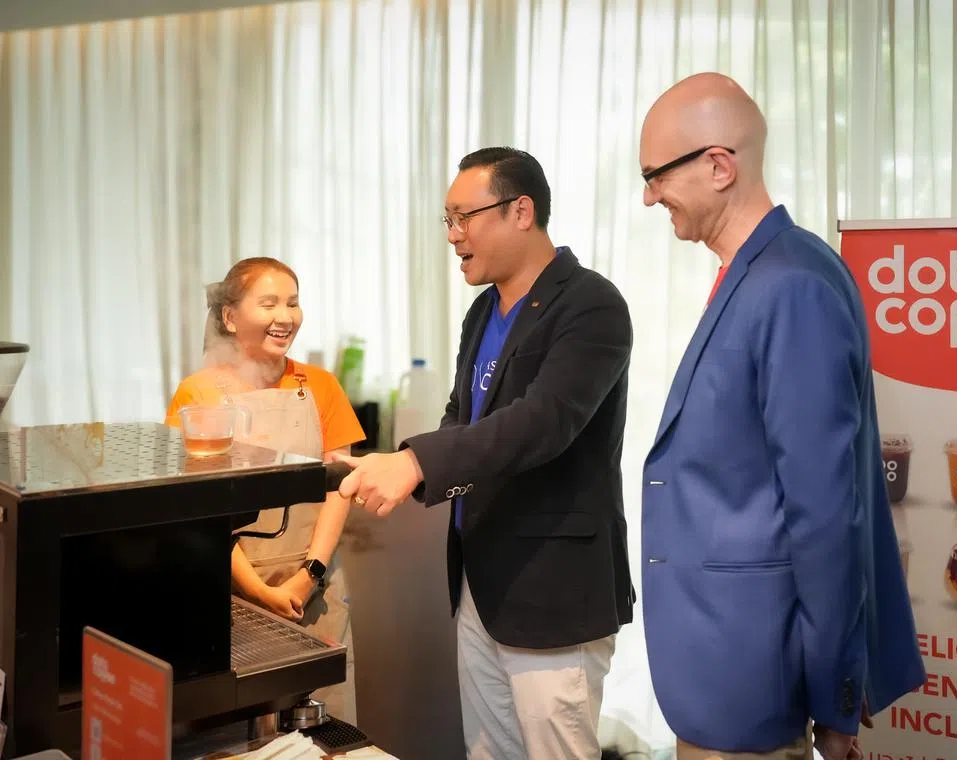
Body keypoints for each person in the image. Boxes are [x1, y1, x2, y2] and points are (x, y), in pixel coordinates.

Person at [637, 73, 925, 760]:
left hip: (754, 687)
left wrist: (835, 695)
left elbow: (826, 516)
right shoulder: (761, 273)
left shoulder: (790, 285)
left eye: (654, 175)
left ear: (717, 166)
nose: (647, 196)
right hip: (721, 675)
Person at [335, 147, 635, 759]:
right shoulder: (482, 311)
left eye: (463, 217)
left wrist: (417, 464)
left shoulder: (591, 304)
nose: (453, 236)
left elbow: (544, 422)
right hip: (480, 582)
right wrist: (401, 467)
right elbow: (461, 417)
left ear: (521, 211)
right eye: (447, 220)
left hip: (551, 591)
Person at [165, 257, 365, 723]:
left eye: (293, 303)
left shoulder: (320, 386)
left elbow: (340, 486)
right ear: (230, 318)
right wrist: (255, 588)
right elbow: (198, 511)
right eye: (269, 302)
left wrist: (309, 573)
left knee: (323, 726)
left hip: (315, 589)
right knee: (242, 728)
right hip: (231, 591)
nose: (286, 316)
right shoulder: (198, 394)